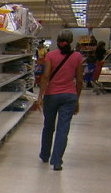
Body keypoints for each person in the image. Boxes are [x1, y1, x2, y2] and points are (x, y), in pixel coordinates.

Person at [36, 29, 84, 171]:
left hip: (51, 96)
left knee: (48, 126)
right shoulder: (77, 57)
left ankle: (45, 155)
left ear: (57, 42)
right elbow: (80, 80)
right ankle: (57, 161)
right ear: (71, 42)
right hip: (69, 96)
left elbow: (45, 76)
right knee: (63, 129)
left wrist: (40, 96)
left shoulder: (50, 55)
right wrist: (77, 100)